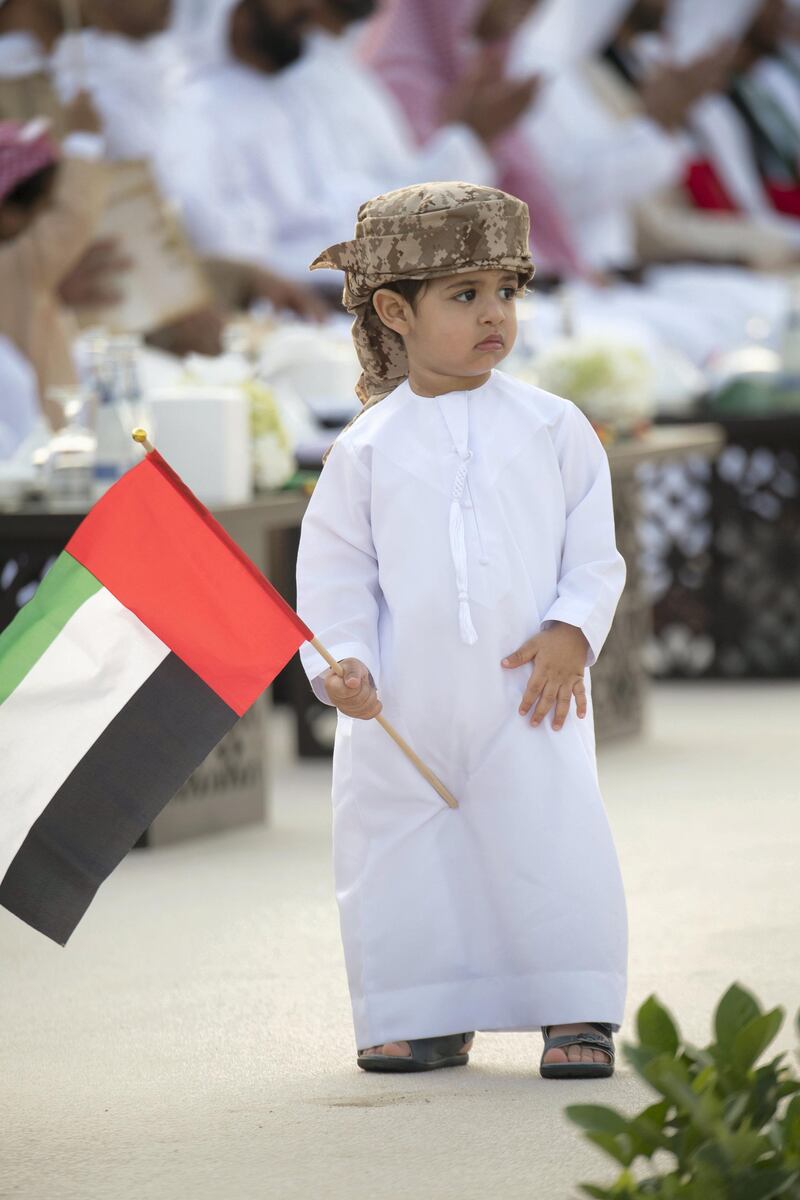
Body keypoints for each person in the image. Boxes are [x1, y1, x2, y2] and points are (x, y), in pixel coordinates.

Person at [295, 182, 628, 1077]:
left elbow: (595, 556)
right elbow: (333, 580)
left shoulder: (556, 429)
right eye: (465, 295)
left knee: (550, 834)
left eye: (506, 293)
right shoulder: (363, 449)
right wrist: (344, 667)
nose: (495, 316)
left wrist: (571, 630)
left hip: (531, 699)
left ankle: (574, 1008)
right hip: (404, 701)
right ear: (396, 311)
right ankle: (417, 1012)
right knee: (400, 849)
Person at [361, 0, 583, 278]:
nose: (528, 6)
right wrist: (473, 138)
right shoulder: (394, 86)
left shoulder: (484, 78)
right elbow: (405, 223)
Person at [0, 93, 108, 428]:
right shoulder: (16, 265)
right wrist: (84, 139)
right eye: (46, 207)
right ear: (9, 213)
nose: (49, 221)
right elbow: (73, 218)